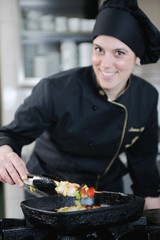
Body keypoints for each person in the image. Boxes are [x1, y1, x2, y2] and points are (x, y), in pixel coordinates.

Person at [0, 0, 160, 208]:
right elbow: (11, 134)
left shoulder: (146, 97)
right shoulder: (55, 89)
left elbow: (144, 163)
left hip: (105, 191)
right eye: (99, 49)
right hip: (51, 192)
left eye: (119, 53)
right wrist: (4, 152)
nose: (105, 63)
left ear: (137, 57)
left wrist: (153, 220)